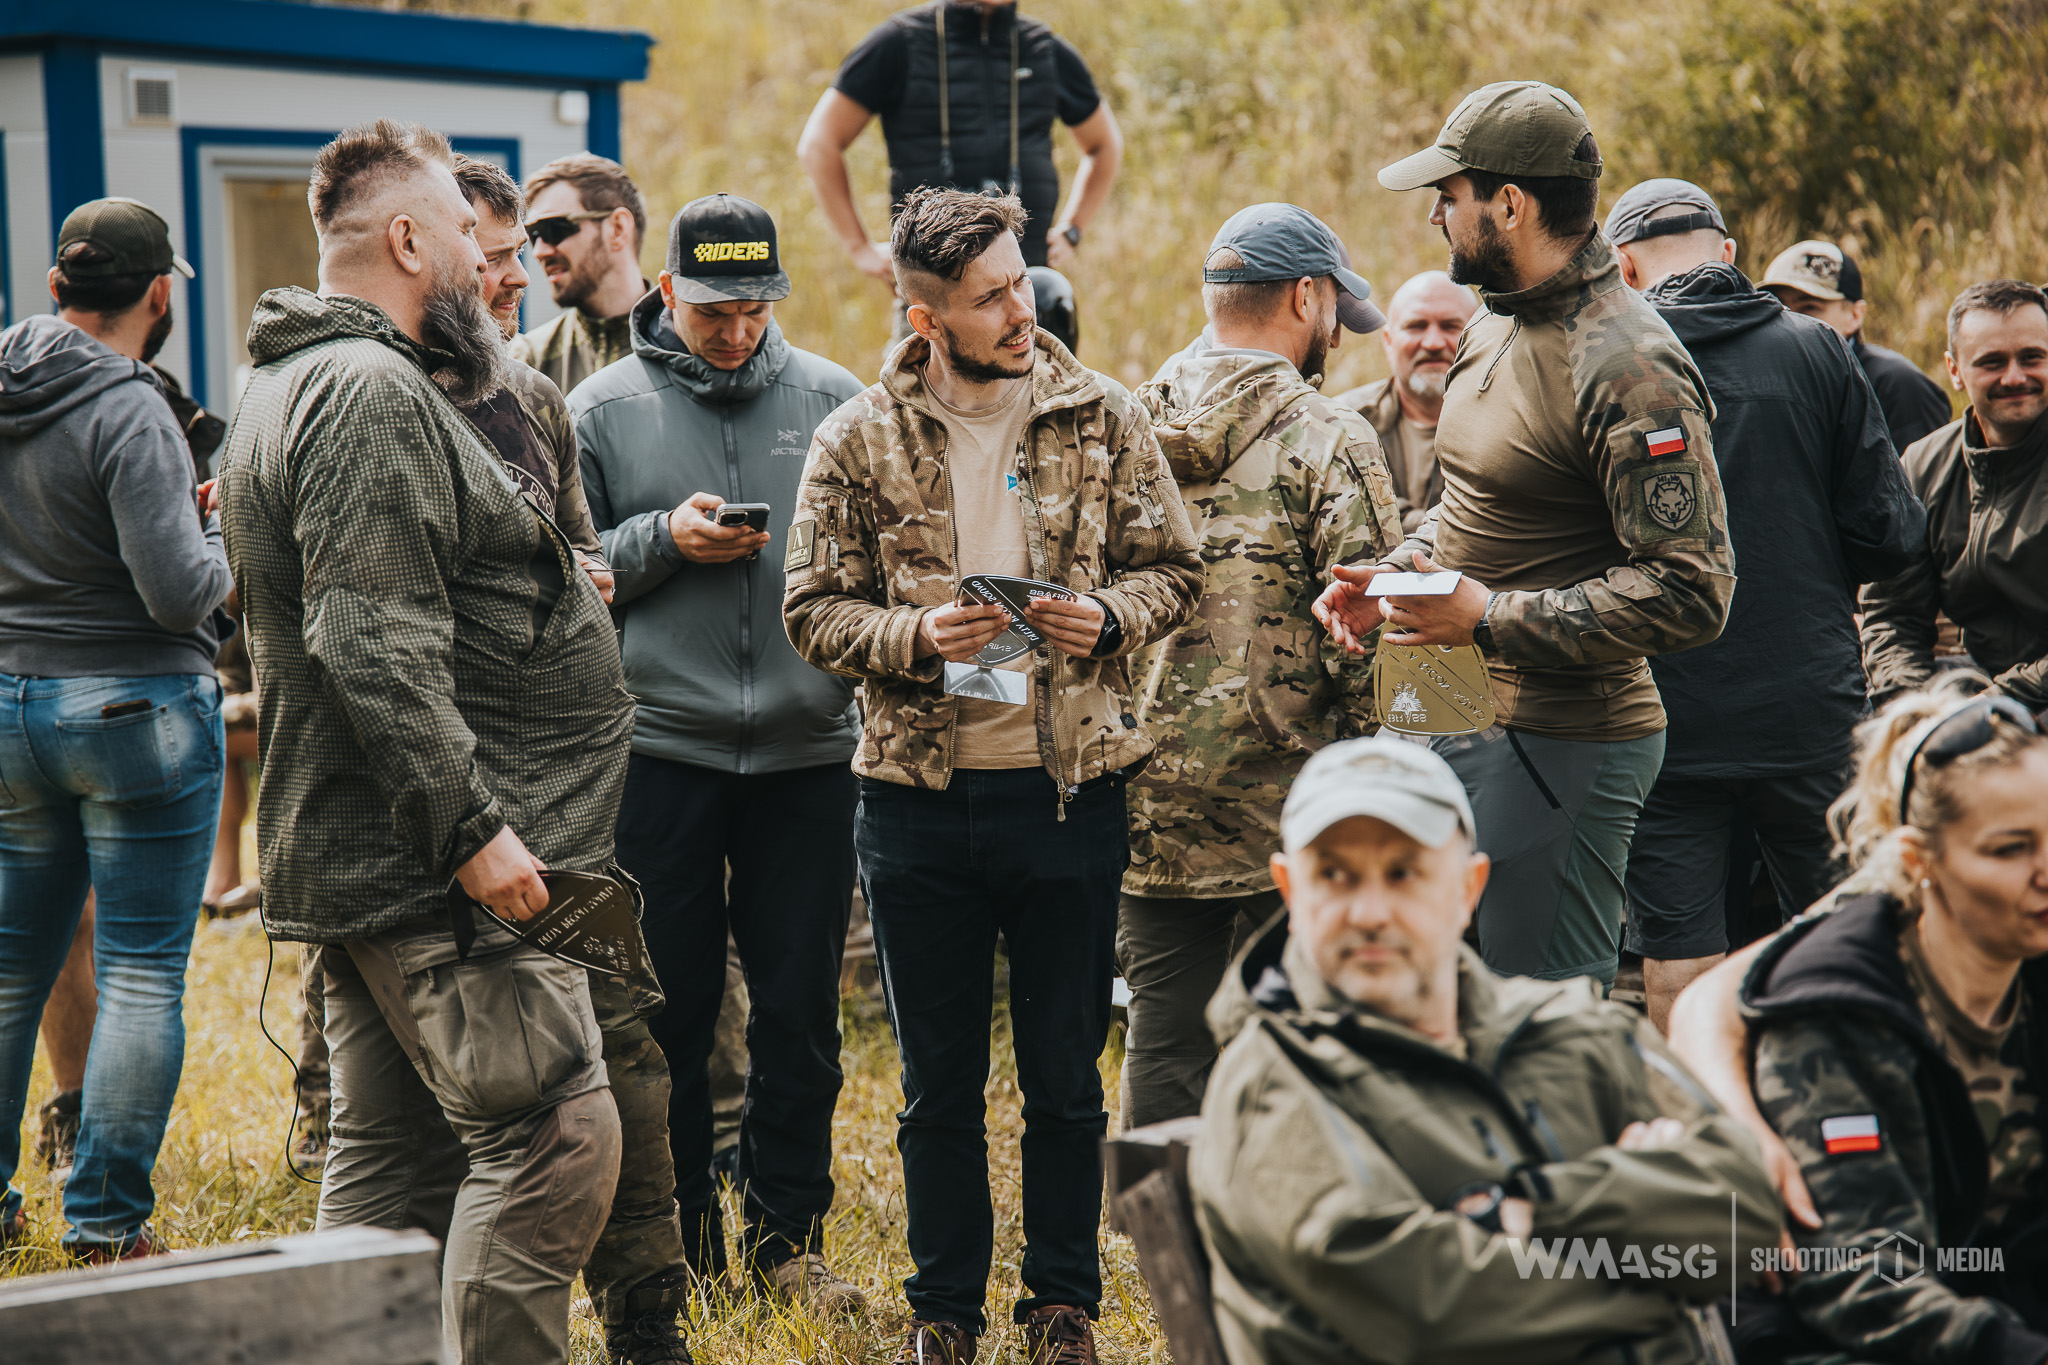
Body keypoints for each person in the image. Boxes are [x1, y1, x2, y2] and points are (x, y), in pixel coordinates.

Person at [219, 120, 630, 1365]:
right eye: (464, 231)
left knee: (390, 1184)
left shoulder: (292, 379)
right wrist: (474, 834)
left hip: (383, 859)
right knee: (555, 1137)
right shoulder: (364, 390)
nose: (485, 261)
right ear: (408, 238)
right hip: (436, 869)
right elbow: (371, 640)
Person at [783, 187, 1203, 1365]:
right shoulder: (855, 437)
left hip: (1069, 794)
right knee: (936, 1088)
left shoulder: (1103, 414)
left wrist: (1103, 617)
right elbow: (810, 613)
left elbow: (1175, 570)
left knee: (1068, 1079)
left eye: (1018, 283)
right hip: (916, 804)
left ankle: (1063, 1305)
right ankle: (944, 1313)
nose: (1018, 309)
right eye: (988, 298)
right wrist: (915, 642)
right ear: (925, 320)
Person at [1316, 81, 1735, 988]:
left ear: (1510, 204)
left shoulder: (1628, 363)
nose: (1436, 214)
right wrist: (1396, 572)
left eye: (1450, 195)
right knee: (1428, 1001)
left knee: (1537, 1027)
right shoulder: (1493, 321)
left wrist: (1490, 616)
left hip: (1562, 742)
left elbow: (1693, 590)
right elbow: (1473, 507)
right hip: (1446, 706)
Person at [1189, 736, 1780, 1365]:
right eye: (1333, 875)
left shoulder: (1573, 1027)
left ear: (1469, 886)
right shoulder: (1273, 1076)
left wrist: (1527, 1210)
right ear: (1288, 888)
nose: (1368, 912)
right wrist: (1658, 1257)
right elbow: (1431, 1311)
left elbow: (1747, 1212)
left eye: (1404, 873)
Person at [574, 193, 867, 1313]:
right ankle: (684, 1240)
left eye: (752, 310)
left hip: (807, 756)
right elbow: (562, 571)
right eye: (711, 312)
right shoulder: (598, 410)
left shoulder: (836, 400)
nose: (734, 333)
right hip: (664, 755)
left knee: (798, 1013)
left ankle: (786, 1238)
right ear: (665, 294)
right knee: (672, 1013)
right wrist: (663, 542)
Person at [449, 155, 693, 1365]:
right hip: (452, 808)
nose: (510, 275)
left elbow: (581, 553)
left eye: (515, 251)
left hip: (577, 801)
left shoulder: (533, 395)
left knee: (626, 1053)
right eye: (489, 253)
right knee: (480, 1097)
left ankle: (648, 1316)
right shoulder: (382, 399)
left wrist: (587, 578)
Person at [1605, 179, 1926, 1029]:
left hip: (1665, 712)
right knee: (1849, 930)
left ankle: (1703, 1147)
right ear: (1731, 254)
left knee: (1678, 955)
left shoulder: (1607, 364)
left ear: (1625, 268)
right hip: (1807, 707)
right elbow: (1892, 534)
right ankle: (1848, 1123)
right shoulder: (1819, 350)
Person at [1117, 203, 1403, 1128]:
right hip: (1299, 805)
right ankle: (1295, 1218)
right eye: (1332, 315)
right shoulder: (1332, 438)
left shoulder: (1118, 425)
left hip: (1146, 791)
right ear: (1307, 298)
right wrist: (1393, 781)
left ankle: (1158, 1246)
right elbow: (1370, 633)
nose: (1335, 337)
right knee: (1312, 1030)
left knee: (1163, 1036)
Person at [1669, 676, 2048, 1362]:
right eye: (2008, 848)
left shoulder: (2026, 945)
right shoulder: (1836, 1011)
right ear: (1916, 860)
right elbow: (1863, 1278)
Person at [0, 197, 234, 1259]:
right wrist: (221, 524)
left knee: (11, 969)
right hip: (136, 713)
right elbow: (182, 594)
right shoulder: (133, 408)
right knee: (141, 972)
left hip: (11, 710)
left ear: (56, 289)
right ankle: (104, 1225)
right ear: (158, 294)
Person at [798, 1, 1122, 291]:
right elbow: (819, 144)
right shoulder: (900, 42)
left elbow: (1104, 145)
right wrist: (859, 248)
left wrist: (1072, 230)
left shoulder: (1044, 49)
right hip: (935, 295)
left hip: (1026, 288)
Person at [1862, 279, 2048, 714]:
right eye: (1992, 362)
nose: (2015, 376)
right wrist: (1912, 710)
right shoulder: (1923, 464)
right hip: (1978, 689)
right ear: (1954, 370)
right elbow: (1893, 614)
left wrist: (1999, 703)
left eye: (2032, 358)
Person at [1762, 239, 1952, 450]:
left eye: (1809, 307)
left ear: (1855, 315)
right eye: (1778, 306)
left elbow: (1923, 477)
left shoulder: (1898, 386)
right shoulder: (1765, 382)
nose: (1790, 319)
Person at [1335, 270, 1479, 532]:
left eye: (1450, 326)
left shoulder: (1510, 420)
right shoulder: (1342, 422)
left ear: (1480, 338)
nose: (1433, 343)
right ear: (1389, 342)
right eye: (1416, 326)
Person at [512, 153, 651, 396]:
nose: (540, 251)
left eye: (554, 229)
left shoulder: (692, 341)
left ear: (618, 228)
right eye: (533, 235)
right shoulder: (528, 363)